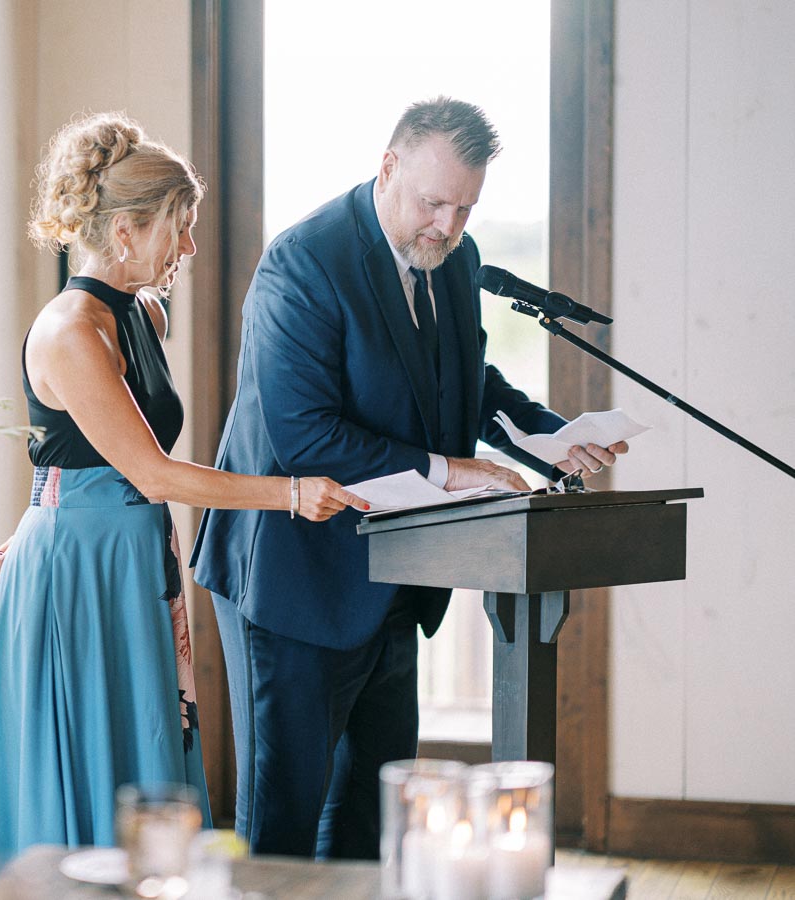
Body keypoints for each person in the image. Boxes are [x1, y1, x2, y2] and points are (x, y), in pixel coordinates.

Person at [190, 97, 630, 859]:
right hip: (295, 573)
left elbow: (467, 381)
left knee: (371, 811)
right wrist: (453, 471)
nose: (449, 228)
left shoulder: (454, 260)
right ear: (388, 167)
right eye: (435, 203)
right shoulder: (303, 262)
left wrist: (554, 439)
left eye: (465, 208)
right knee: (285, 821)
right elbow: (302, 434)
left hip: (396, 576)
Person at [0, 111, 367, 867]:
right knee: (91, 749)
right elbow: (148, 471)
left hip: (130, 554)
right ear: (124, 232)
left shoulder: (142, 311)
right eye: (178, 226)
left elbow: (83, 450)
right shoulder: (69, 331)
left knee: (141, 737)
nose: (188, 245)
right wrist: (290, 493)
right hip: (79, 571)